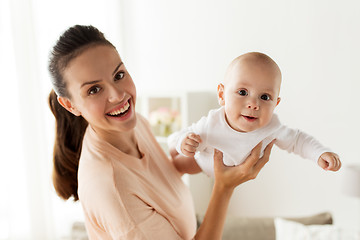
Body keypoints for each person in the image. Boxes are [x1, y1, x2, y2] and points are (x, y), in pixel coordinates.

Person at [48, 25, 274, 240]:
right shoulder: (112, 187)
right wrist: (224, 187)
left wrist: (220, 150)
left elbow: (165, 175)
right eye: (94, 90)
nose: (118, 96)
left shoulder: (134, 125)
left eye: (118, 75)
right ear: (70, 105)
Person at [169, 52, 341, 177]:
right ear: (222, 95)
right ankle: (171, 144)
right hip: (203, 160)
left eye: (265, 97)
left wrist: (320, 153)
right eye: (243, 92)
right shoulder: (213, 122)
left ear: (275, 104)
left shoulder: (272, 127)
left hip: (228, 171)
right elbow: (191, 134)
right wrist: (184, 143)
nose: (253, 104)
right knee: (181, 163)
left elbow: (298, 141)